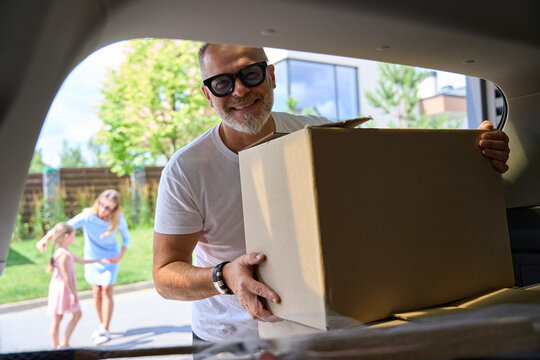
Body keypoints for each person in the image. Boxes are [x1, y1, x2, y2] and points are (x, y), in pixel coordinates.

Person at [152, 43, 511, 343]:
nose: (240, 91)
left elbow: (395, 186)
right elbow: (165, 276)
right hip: (229, 341)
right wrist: (224, 275)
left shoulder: (318, 136)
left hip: (316, 328)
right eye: (221, 83)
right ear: (207, 95)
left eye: (250, 74)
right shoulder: (188, 169)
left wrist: (472, 153)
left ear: (271, 76)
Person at [37, 189, 130, 345]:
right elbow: (65, 226)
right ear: (98, 202)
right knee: (96, 292)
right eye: (101, 204)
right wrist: (45, 238)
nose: (103, 210)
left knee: (106, 290)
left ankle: (105, 329)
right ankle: (102, 324)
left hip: (110, 257)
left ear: (114, 209)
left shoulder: (117, 219)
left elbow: (126, 239)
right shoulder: (88, 216)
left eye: (108, 208)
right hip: (92, 258)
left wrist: (120, 255)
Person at [45, 222, 110, 349]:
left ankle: (58, 346)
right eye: (73, 236)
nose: (74, 238)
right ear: (66, 236)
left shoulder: (62, 251)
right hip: (63, 289)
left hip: (59, 288)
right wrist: (72, 294)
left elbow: (80, 261)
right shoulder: (63, 254)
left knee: (58, 317)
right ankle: (61, 345)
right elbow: (65, 276)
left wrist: (99, 260)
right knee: (74, 314)